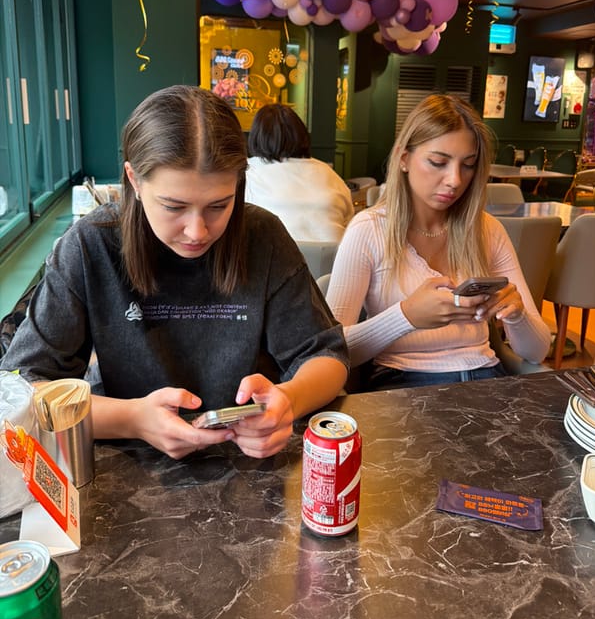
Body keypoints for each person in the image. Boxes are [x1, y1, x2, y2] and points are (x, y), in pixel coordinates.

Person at [1, 86, 349, 458]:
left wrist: (288, 400)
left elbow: (327, 357)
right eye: (173, 206)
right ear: (134, 180)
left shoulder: (263, 237)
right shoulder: (90, 246)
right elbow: (20, 392)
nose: (197, 231)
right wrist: (131, 419)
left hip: (247, 459)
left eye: (219, 205)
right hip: (125, 461)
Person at [325, 94, 551, 389]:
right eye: (438, 162)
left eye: (468, 165)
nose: (455, 180)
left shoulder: (487, 230)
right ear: (404, 159)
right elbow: (329, 350)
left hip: (486, 379)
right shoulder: (368, 231)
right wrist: (406, 316)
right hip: (399, 384)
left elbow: (537, 352)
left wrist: (518, 315)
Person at [245, 103, 354, 242]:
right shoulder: (329, 173)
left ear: (256, 137)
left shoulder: (248, 171)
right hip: (332, 261)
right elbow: (349, 223)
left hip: (275, 259)